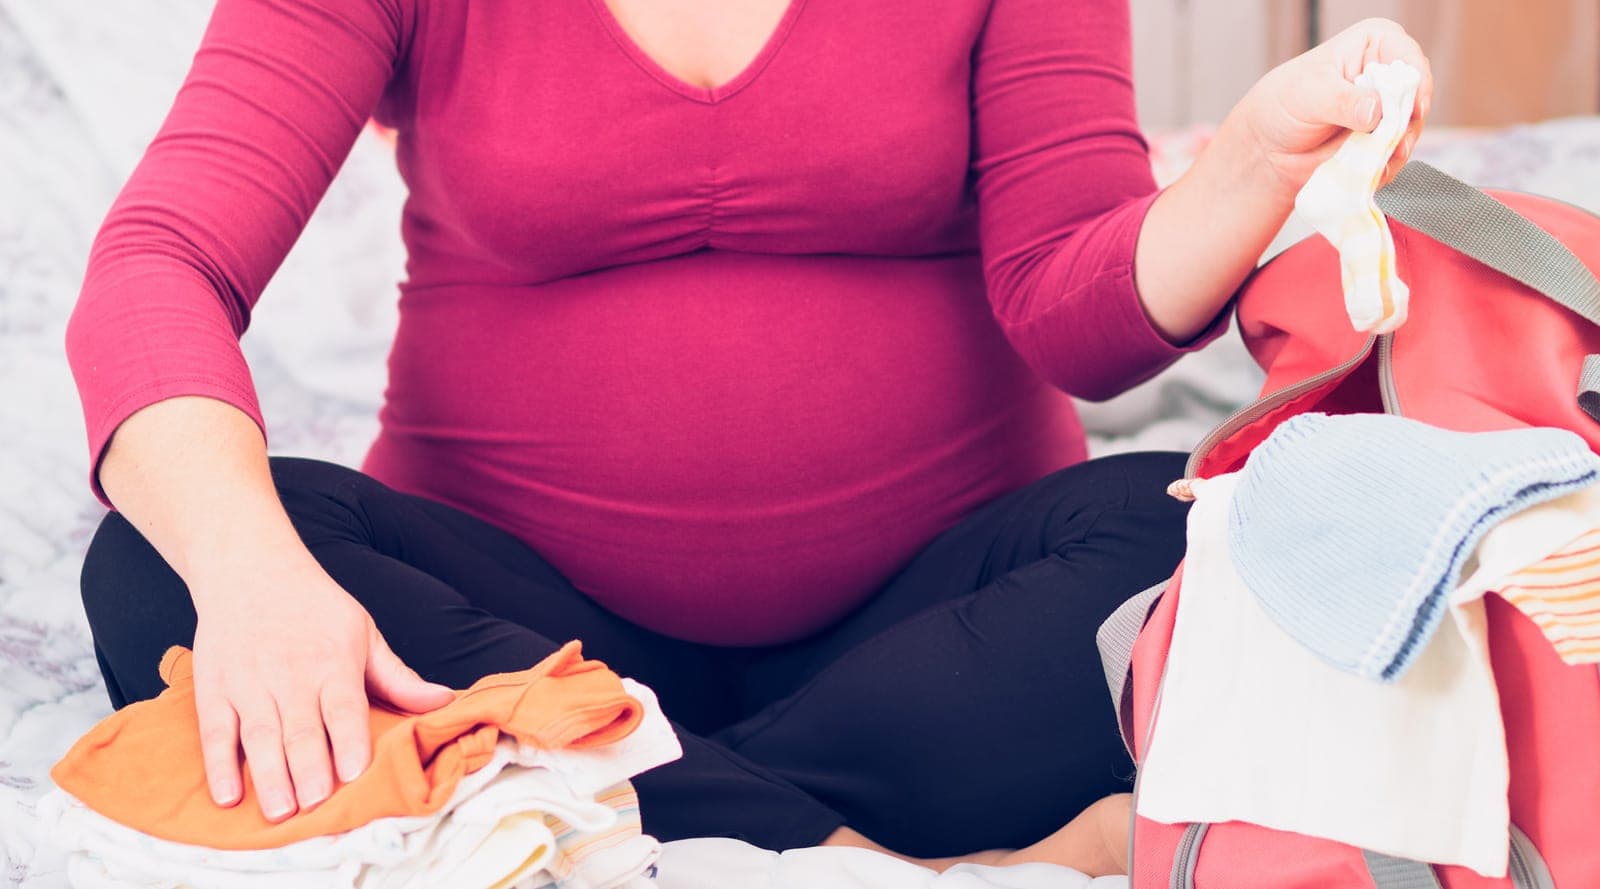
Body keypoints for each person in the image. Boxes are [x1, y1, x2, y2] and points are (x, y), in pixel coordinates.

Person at [66, 0, 1430, 875]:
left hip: (928, 629)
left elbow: (1078, 317)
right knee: (166, 558)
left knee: (1229, 527)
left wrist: (1253, 158)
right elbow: (160, 266)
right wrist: (253, 577)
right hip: (516, 637)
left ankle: (640, 798)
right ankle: (877, 847)